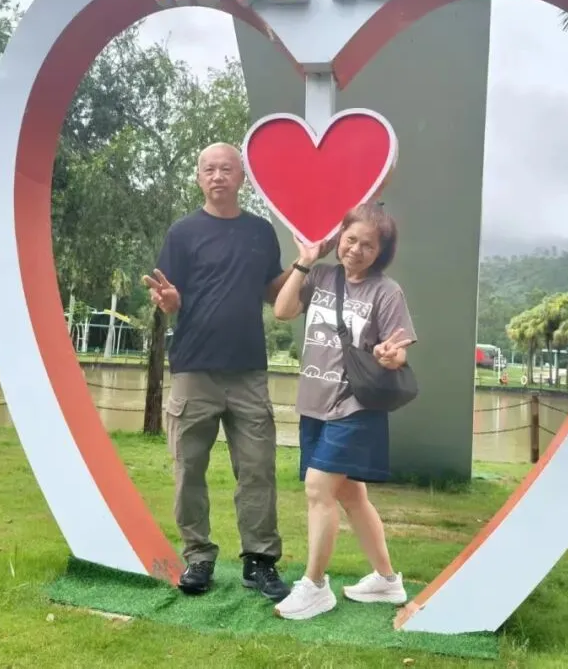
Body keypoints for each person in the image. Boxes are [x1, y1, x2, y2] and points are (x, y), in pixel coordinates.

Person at [143, 142, 314, 603]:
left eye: (226, 169)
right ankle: (198, 557)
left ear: (242, 177)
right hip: (194, 369)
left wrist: (305, 263)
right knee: (189, 470)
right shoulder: (183, 232)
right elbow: (170, 294)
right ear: (199, 178)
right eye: (209, 169)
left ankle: (260, 561)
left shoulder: (260, 232)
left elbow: (273, 292)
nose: (218, 176)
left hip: (247, 371)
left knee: (257, 469)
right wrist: (170, 301)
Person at [270, 202, 416, 621]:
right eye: (351, 240)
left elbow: (398, 351)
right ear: (339, 239)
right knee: (350, 493)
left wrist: (390, 355)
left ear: (381, 252)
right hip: (314, 402)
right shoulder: (320, 276)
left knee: (318, 489)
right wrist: (304, 260)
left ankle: (315, 586)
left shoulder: (386, 291)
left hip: (355, 405)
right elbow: (282, 311)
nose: (356, 250)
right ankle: (387, 580)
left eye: (368, 245)